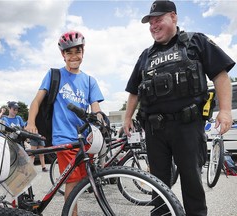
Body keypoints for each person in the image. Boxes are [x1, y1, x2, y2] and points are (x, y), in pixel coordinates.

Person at [123, 1, 235, 215]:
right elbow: (134, 91)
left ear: (173, 17)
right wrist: (127, 118)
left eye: (158, 20)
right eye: (150, 22)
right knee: (158, 187)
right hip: (155, 131)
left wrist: (226, 110)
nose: (153, 26)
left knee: (192, 185)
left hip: (187, 127)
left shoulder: (196, 42)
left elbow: (221, 75)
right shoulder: (145, 56)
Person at [25, 30, 104, 215]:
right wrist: (30, 122)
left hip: (84, 139)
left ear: (83, 52)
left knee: (83, 181)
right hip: (63, 137)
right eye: (69, 52)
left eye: (77, 51)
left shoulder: (90, 81)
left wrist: (100, 122)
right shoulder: (55, 75)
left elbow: (96, 109)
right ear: (63, 55)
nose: (74, 56)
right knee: (73, 181)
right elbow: (36, 101)